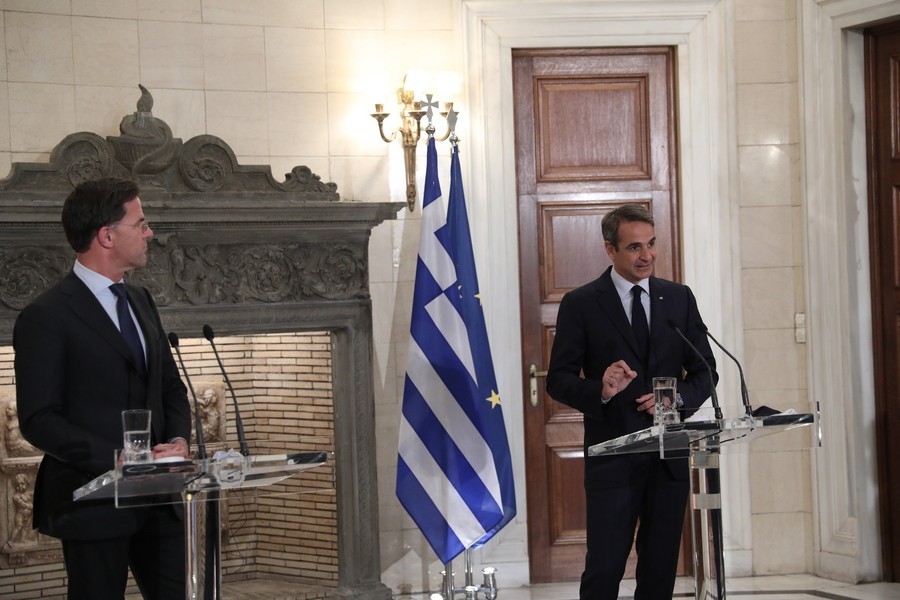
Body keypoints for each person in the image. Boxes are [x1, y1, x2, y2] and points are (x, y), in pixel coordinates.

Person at [14, 177, 192, 599]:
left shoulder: (142, 300)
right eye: (141, 223)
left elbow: (169, 386)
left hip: (158, 498)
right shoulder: (46, 315)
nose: (150, 233)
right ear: (106, 236)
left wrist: (178, 441)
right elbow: (39, 419)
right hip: (93, 503)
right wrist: (115, 459)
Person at [546, 203, 718, 600]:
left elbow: (705, 370)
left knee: (659, 571)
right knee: (604, 570)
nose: (647, 255)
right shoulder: (582, 303)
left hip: (668, 456)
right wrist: (601, 390)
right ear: (611, 250)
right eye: (635, 247)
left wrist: (678, 399)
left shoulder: (679, 298)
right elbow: (558, 380)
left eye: (651, 244)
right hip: (613, 459)